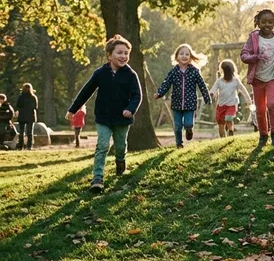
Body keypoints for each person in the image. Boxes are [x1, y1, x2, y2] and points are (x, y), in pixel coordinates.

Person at [66, 35, 142, 192]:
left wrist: (130, 109)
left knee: (121, 146)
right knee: (102, 145)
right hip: (104, 118)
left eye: (126, 53)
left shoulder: (130, 74)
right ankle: (97, 178)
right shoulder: (100, 73)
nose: (123, 56)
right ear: (109, 55)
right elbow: (86, 92)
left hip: (122, 119)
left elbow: (137, 95)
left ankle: (120, 163)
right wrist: (73, 110)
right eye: (119, 52)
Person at [241, 9, 274, 148]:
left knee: (272, 104)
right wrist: (255, 57)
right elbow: (244, 55)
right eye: (263, 22)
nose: (267, 25)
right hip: (257, 79)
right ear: (257, 22)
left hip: (273, 77)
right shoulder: (253, 38)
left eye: (270, 22)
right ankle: (263, 135)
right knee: (260, 109)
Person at [154, 44, 212, 148]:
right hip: (176, 103)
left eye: (187, 54)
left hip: (190, 104)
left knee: (188, 123)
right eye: (181, 54)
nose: (184, 56)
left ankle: (189, 130)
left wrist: (207, 98)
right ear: (176, 57)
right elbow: (166, 83)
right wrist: (159, 93)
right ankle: (179, 144)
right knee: (177, 126)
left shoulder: (194, 71)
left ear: (191, 57)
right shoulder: (173, 72)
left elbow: (202, 85)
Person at [210, 60, 253, 138]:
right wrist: (210, 95)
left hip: (232, 104)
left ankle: (230, 130)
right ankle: (223, 138)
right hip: (221, 105)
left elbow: (244, 90)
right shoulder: (219, 81)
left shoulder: (235, 81)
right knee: (221, 124)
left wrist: (248, 100)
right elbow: (213, 89)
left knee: (228, 118)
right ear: (222, 71)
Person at [15, 83, 38, 150]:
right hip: (30, 116)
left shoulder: (20, 97)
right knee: (30, 132)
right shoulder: (33, 97)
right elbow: (35, 107)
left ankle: (20, 146)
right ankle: (29, 146)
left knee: (21, 132)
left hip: (22, 116)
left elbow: (18, 105)